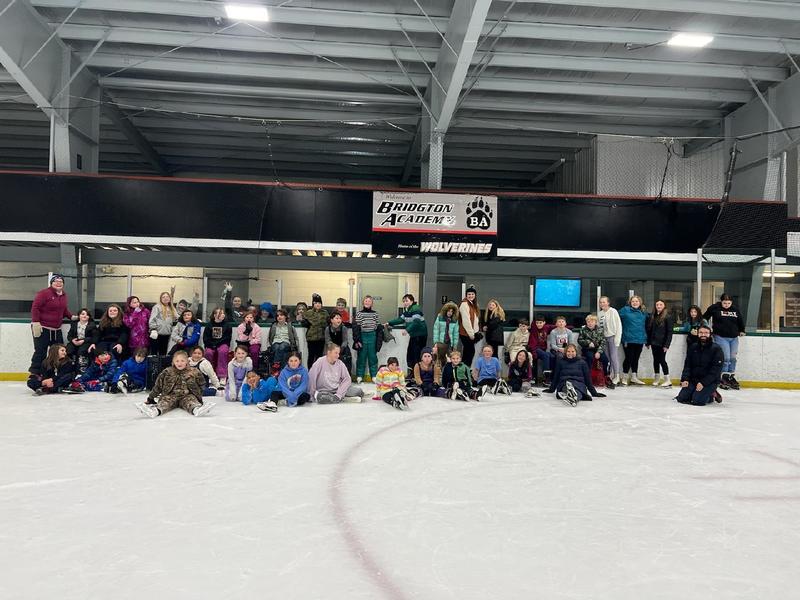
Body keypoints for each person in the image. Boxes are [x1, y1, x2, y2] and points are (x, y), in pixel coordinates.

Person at [135, 350, 215, 418]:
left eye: (182, 361)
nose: (179, 363)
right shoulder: (167, 372)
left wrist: (199, 396)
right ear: (173, 361)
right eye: (177, 361)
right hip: (170, 395)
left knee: (190, 402)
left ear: (187, 361)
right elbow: (158, 386)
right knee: (165, 403)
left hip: (187, 395)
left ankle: (197, 409)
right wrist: (150, 398)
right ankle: (155, 411)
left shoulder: (194, 372)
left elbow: (202, 384)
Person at [29, 274, 73, 376]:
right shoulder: (44, 293)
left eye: (61, 281)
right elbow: (35, 308)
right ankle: (35, 374)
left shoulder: (63, 295)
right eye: (56, 281)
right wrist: (36, 322)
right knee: (41, 351)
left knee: (59, 352)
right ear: (51, 283)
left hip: (56, 329)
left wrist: (71, 317)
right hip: (43, 328)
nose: (58, 283)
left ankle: (58, 373)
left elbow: (64, 309)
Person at [703, 294, 746, 390]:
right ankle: (723, 377)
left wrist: (742, 330)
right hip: (720, 336)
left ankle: (731, 376)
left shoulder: (735, 309)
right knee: (726, 358)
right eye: (724, 303)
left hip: (734, 337)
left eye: (729, 303)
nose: (727, 305)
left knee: (733, 358)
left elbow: (740, 320)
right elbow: (704, 317)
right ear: (721, 301)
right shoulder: (715, 308)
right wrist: (706, 328)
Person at [676, 325, 724, 406]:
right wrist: (685, 379)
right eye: (701, 332)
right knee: (682, 398)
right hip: (694, 379)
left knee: (697, 401)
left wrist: (703, 383)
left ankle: (712, 394)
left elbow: (716, 371)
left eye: (706, 333)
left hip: (709, 381)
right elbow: (687, 365)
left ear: (710, 334)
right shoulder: (693, 347)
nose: (703, 335)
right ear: (697, 334)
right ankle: (696, 392)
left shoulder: (716, 349)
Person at [387, 294, 428, 377]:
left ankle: (416, 375)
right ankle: (413, 374)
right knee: (410, 355)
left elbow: (416, 322)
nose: (405, 303)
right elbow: (400, 319)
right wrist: (389, 323)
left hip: (420, 335)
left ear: (412, 301)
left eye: (407, 301)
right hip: (414, 335)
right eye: (404, 301)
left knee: (415, 356)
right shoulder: (407, 310)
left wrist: (407, 330)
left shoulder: (415, 308)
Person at [619, 296, 647, 386]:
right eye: (633, 301)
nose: (635, 303)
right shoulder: (625, 310)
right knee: (629, 358)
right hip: (628, 339)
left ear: (640, 302)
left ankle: (634, 377)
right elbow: (616, 318)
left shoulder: (643, 312)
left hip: (640, 339)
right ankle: (624, 377)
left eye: (637, 301)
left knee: (635, 359)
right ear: (630, 302)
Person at [353, 295, 381, 383]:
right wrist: (357, 339)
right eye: (366, 301)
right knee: (361, 356)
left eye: (369, 301)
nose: (367, 302)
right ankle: (359, 375)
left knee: (372, 356)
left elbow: (377, 325)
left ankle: (374, 375)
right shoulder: (359, 313)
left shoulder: (375, 313)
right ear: (363, 302)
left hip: (372, 336)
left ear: (372, 303)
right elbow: (357, 327)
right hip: (362, 335)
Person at [647, 299, 674, 388]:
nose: (658, 306)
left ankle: (667, 379)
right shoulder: (653, 316)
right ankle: (657, 378)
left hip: (662, 343)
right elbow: (650, 330)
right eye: (657, 305)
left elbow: (669, 332)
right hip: (654, 343)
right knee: (655, 360)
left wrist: (667, 345)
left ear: (664, 306)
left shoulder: (668, 317)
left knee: (662, 360)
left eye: (660, 305)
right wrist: (648, 342)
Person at [577, 314, 610, 385]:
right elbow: (580, 340)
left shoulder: (600, 330)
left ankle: (606, 376)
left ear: (595, 322)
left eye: (592, 321)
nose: (590, 323)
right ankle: (588, 378)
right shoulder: (583, 330)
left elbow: (603, 342)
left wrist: (598, 352)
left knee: (605, 360)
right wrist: (588, 343)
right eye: (588, 322)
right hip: (587, 349)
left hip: (598, 349)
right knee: (590, 357)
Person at [203, 307, 232, 383]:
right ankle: (209, 375)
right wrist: (212, 345)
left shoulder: (227, 325)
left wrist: (217, 345)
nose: (223, 315)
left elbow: (227, 338)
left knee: (223, 351)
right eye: (220, 313)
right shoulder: (209, 325)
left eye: (223, 313)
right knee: (208, 353)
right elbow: (206, 338)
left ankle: (222, 376)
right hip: (211, 344)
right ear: (215, 315)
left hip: (222, 344)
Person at [598, 296, 623, 385]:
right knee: (607, 358)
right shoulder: (600, 314)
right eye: (601, 302)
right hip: (604, 338)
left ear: (608, 303)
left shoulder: (613, 311)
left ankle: (617, 375)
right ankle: (610, 375)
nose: (602, 304)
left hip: (613, 337)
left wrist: (617, 338)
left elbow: (619, 326)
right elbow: (599, 327)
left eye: (604, 302)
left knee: (614, 357)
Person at [66, 308, 97, 372]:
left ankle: (81, 370)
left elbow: (94, 337)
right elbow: (69, 336)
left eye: (87, 315)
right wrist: (72, 340)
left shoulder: (92, 325)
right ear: (79, 315)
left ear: (89, 317)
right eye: (82, 314)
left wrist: (84, 340)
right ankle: (70, 368)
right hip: (75, 341)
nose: (85, 316)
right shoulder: (74, 324)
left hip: (86, 341)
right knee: (69, 350)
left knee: (81, 351)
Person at [458, 286, 481, 368]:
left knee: (468, 353)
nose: (471, 296)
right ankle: (465, 370)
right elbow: (466, 321)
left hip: (470, 333)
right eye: (469, 294)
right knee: (469, 352)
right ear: (466, 295)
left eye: (472, 294)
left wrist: (476, 331)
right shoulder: (464, 304)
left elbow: (475, 320)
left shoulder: (472, 305)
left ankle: (464, 370)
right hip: (466, 334)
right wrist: (471, 334)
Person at [149, 291, 177, 355]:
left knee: (163, 353)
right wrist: (153, 329)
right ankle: (154, 365)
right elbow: (152, 318)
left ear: (170, 298)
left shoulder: (172, 308)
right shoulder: (157, 307)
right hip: (156, 334)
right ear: (161, 299)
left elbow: (177, 317)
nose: (165, 298)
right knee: (154, 353)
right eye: (163, 297)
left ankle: (162, 365)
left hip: (166, 334)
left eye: (167, 296)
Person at [432, 301, 459, 368]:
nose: (450, 313)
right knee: (439, 358)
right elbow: (436, 330)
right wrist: (436, 342)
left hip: (450, 342)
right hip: (441, 342)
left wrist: (455, 345)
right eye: (448, 311)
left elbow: (456, 333)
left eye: (451, 311)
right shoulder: (440, 318)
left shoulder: (455, 320)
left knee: (450, 358)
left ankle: (448, 371)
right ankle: (439, 372)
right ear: (445, 311)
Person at [305, 293, 329, 367]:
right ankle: (310, 371)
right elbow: (304, 321)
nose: (318, 304)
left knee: (319, 356)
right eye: (315, 303)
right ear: (313, 304)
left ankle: (318, 372)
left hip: (321, 338)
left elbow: (328, 323)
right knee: (311, 355)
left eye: (319, 303)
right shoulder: (308, 313)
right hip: (311, 338)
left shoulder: (325, 313)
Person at [528, 315, 553, 384]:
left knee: (551, 356)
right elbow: (532, 344)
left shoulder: (546, 327)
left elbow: (556, 326)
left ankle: (551, 377)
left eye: (540, 323)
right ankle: (546, 377)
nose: (538, 324)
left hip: (542, 350)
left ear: (544, 323)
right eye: (537, 323)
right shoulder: (533, 329)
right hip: (535, 349)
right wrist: (534, 353)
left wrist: (570, 327)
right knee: (546, 355)